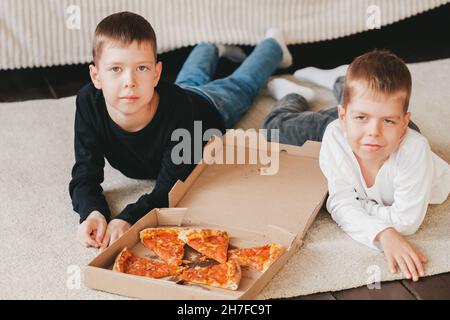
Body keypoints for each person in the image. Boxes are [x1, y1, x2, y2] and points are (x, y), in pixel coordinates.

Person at [69, 11, 293, 251]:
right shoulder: (88, 102)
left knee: (242, 85)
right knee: (191, 78)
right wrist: (91, 211)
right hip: (170, 94)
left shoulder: (181, 113)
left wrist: (128, 218)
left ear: (156, 73)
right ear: (96, 76)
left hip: (206, 107)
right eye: (115, 69)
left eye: (142, 68)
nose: (129, 81)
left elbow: (169, 191)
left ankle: (273, 44)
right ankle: (210, 46)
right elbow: (84, 173)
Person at [263, 50, 450, 282]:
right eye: (362, 118)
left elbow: (406, 222)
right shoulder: (336, 131)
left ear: (402, 124)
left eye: (389, 121)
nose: (374, 131)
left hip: (393, 139)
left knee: (368, 101)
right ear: (343, 117)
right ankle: (296, 93)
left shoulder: (413, 149)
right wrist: (382, 231)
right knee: (273, 128)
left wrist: (361, 206)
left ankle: (344, 83)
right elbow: (341, 203)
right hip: (349, 131)